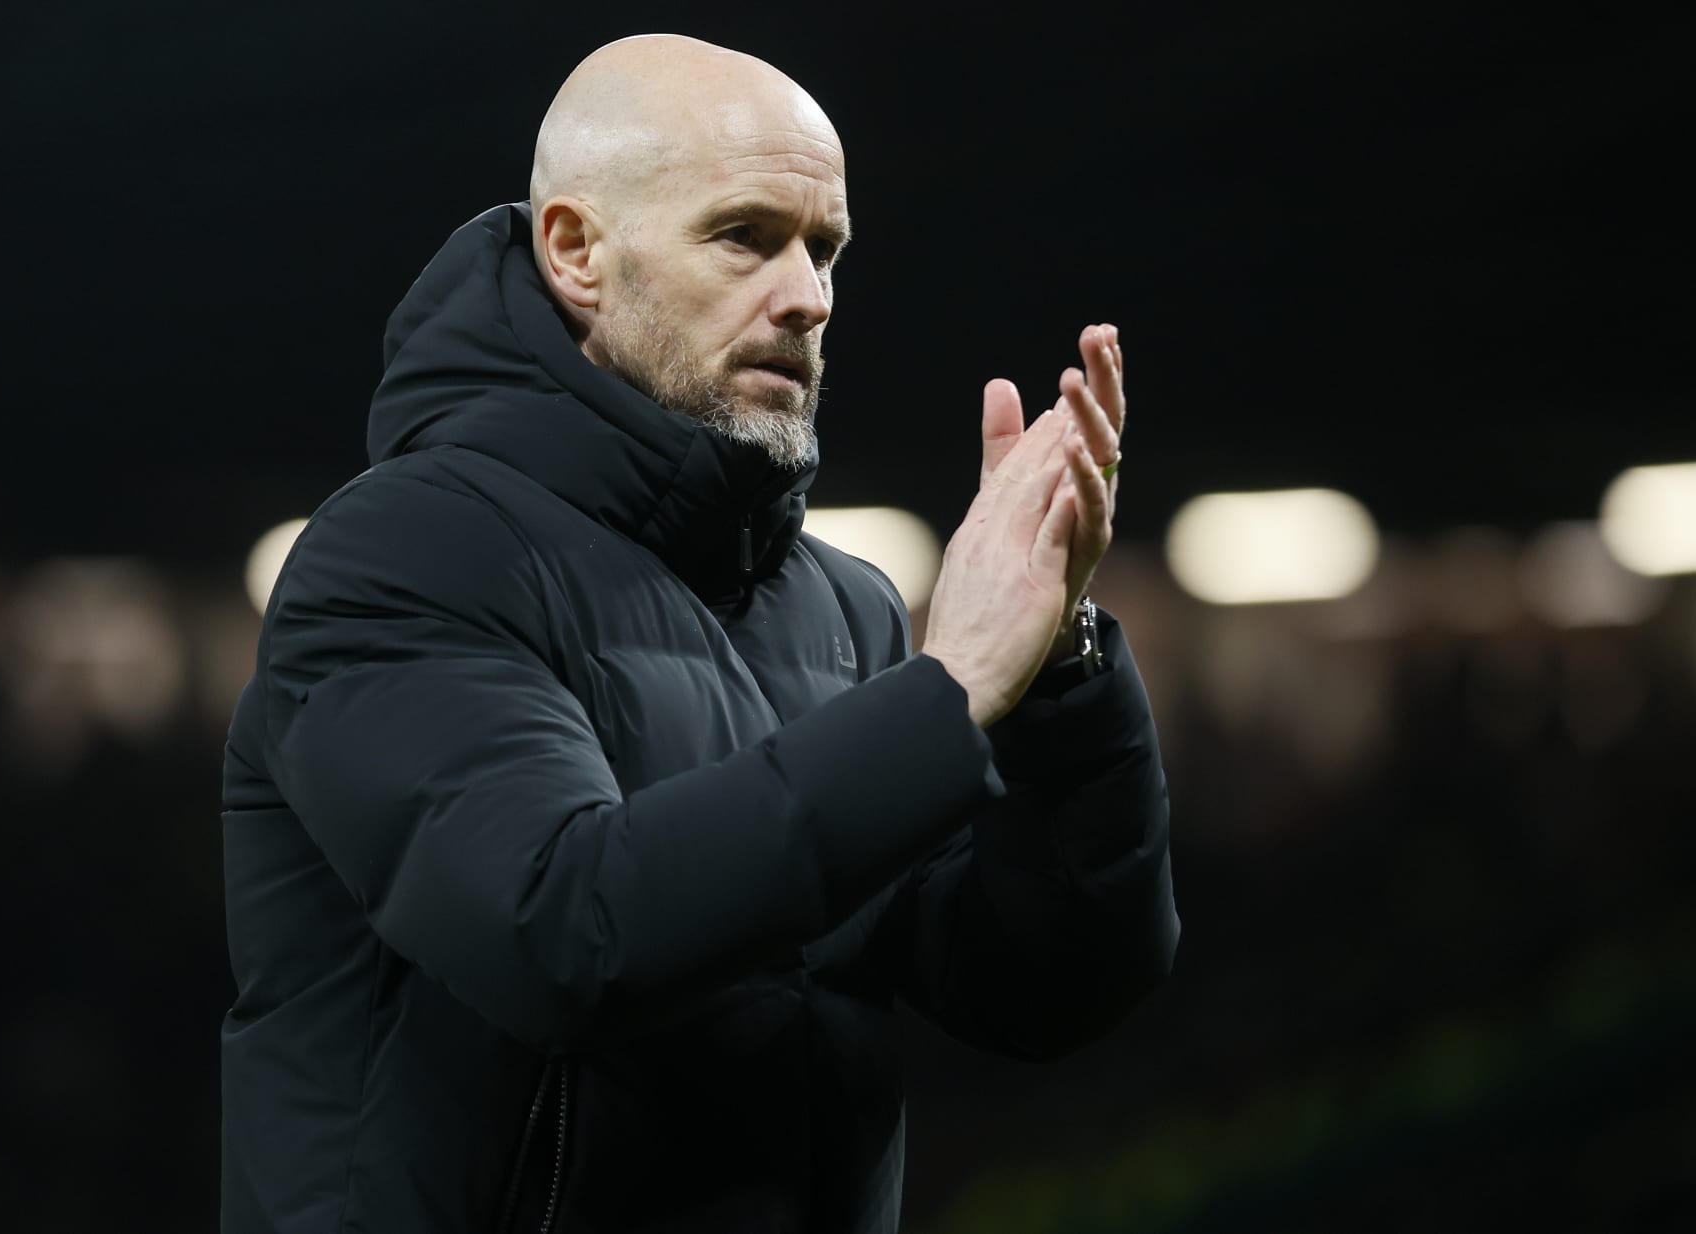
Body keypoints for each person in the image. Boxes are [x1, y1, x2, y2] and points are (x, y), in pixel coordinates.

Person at [220, 33, 1177, 1234]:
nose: (808, 295)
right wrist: (953, 683)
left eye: (824, 249)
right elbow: (566, 930)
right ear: (577, 250)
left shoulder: (847, 609)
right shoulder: (403, 552)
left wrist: (1059, 665)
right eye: (746, 236)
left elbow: (1044, 991)